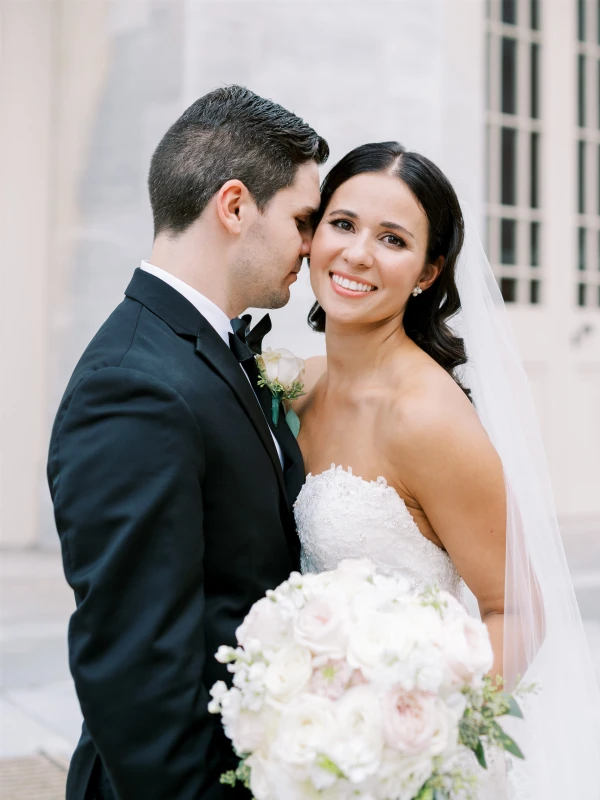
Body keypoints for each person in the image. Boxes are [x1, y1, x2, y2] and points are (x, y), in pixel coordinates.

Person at [293, 141, 600, 797]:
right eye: (342, 224)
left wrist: (413, 752)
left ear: (427, 272)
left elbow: (516, 611)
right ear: (312, 235)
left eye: (393, 239)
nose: (357, 253)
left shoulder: (425, 418)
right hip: (313, 744)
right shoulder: (297, 386)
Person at [47, 85, 327, 800]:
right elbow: (136, 666)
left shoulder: (202, 350)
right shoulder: (133, 386)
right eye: (303, 219)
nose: (313, 245)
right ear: (234, 207)